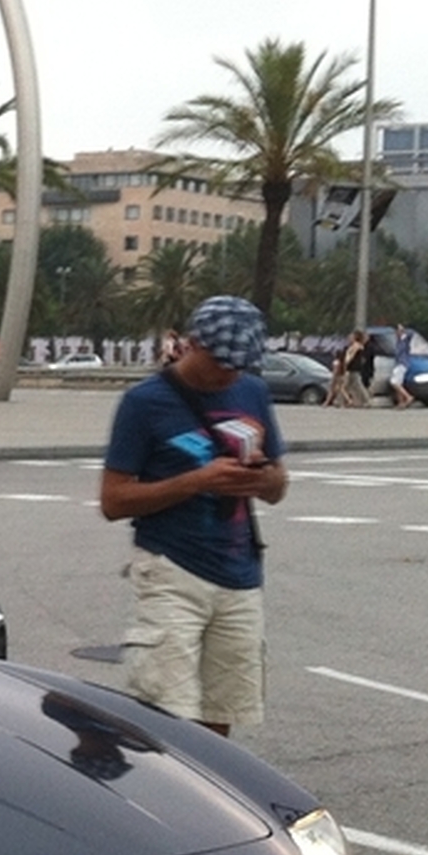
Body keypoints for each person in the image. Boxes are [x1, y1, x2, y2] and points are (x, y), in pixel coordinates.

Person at [98, 295, 288, 735]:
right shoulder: (143, 402)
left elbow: (279, 487)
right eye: (222, 362)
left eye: (241, 364)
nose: (230, 373)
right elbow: (113, 501)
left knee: (225, 712)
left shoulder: (252, 392)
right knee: (168, 717)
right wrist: (198, 481)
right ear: (191, 344)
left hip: (240, 575)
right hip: (171, 571)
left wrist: (259, 479)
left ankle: (208, 799)